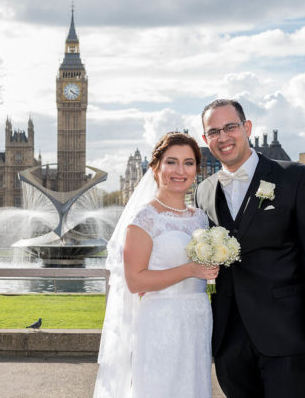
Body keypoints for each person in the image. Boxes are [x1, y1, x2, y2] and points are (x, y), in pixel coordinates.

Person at [195, 99, 305, 398]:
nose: (223, 137)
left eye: (230, 127)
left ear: (247, 128)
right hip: (229, 340)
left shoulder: (295, 177)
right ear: (205, 139)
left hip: (287, 336)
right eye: (214, 131)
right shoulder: (204, 190)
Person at [93, 132, 218, 398]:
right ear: (155, 167)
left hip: (197, 319)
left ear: (197, 168)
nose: (180, 171)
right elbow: (135, 281)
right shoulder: (145, 218)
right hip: (161, 320)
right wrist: (190, 270)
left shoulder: (200, 218)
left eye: (188, 163)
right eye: (171, 162)